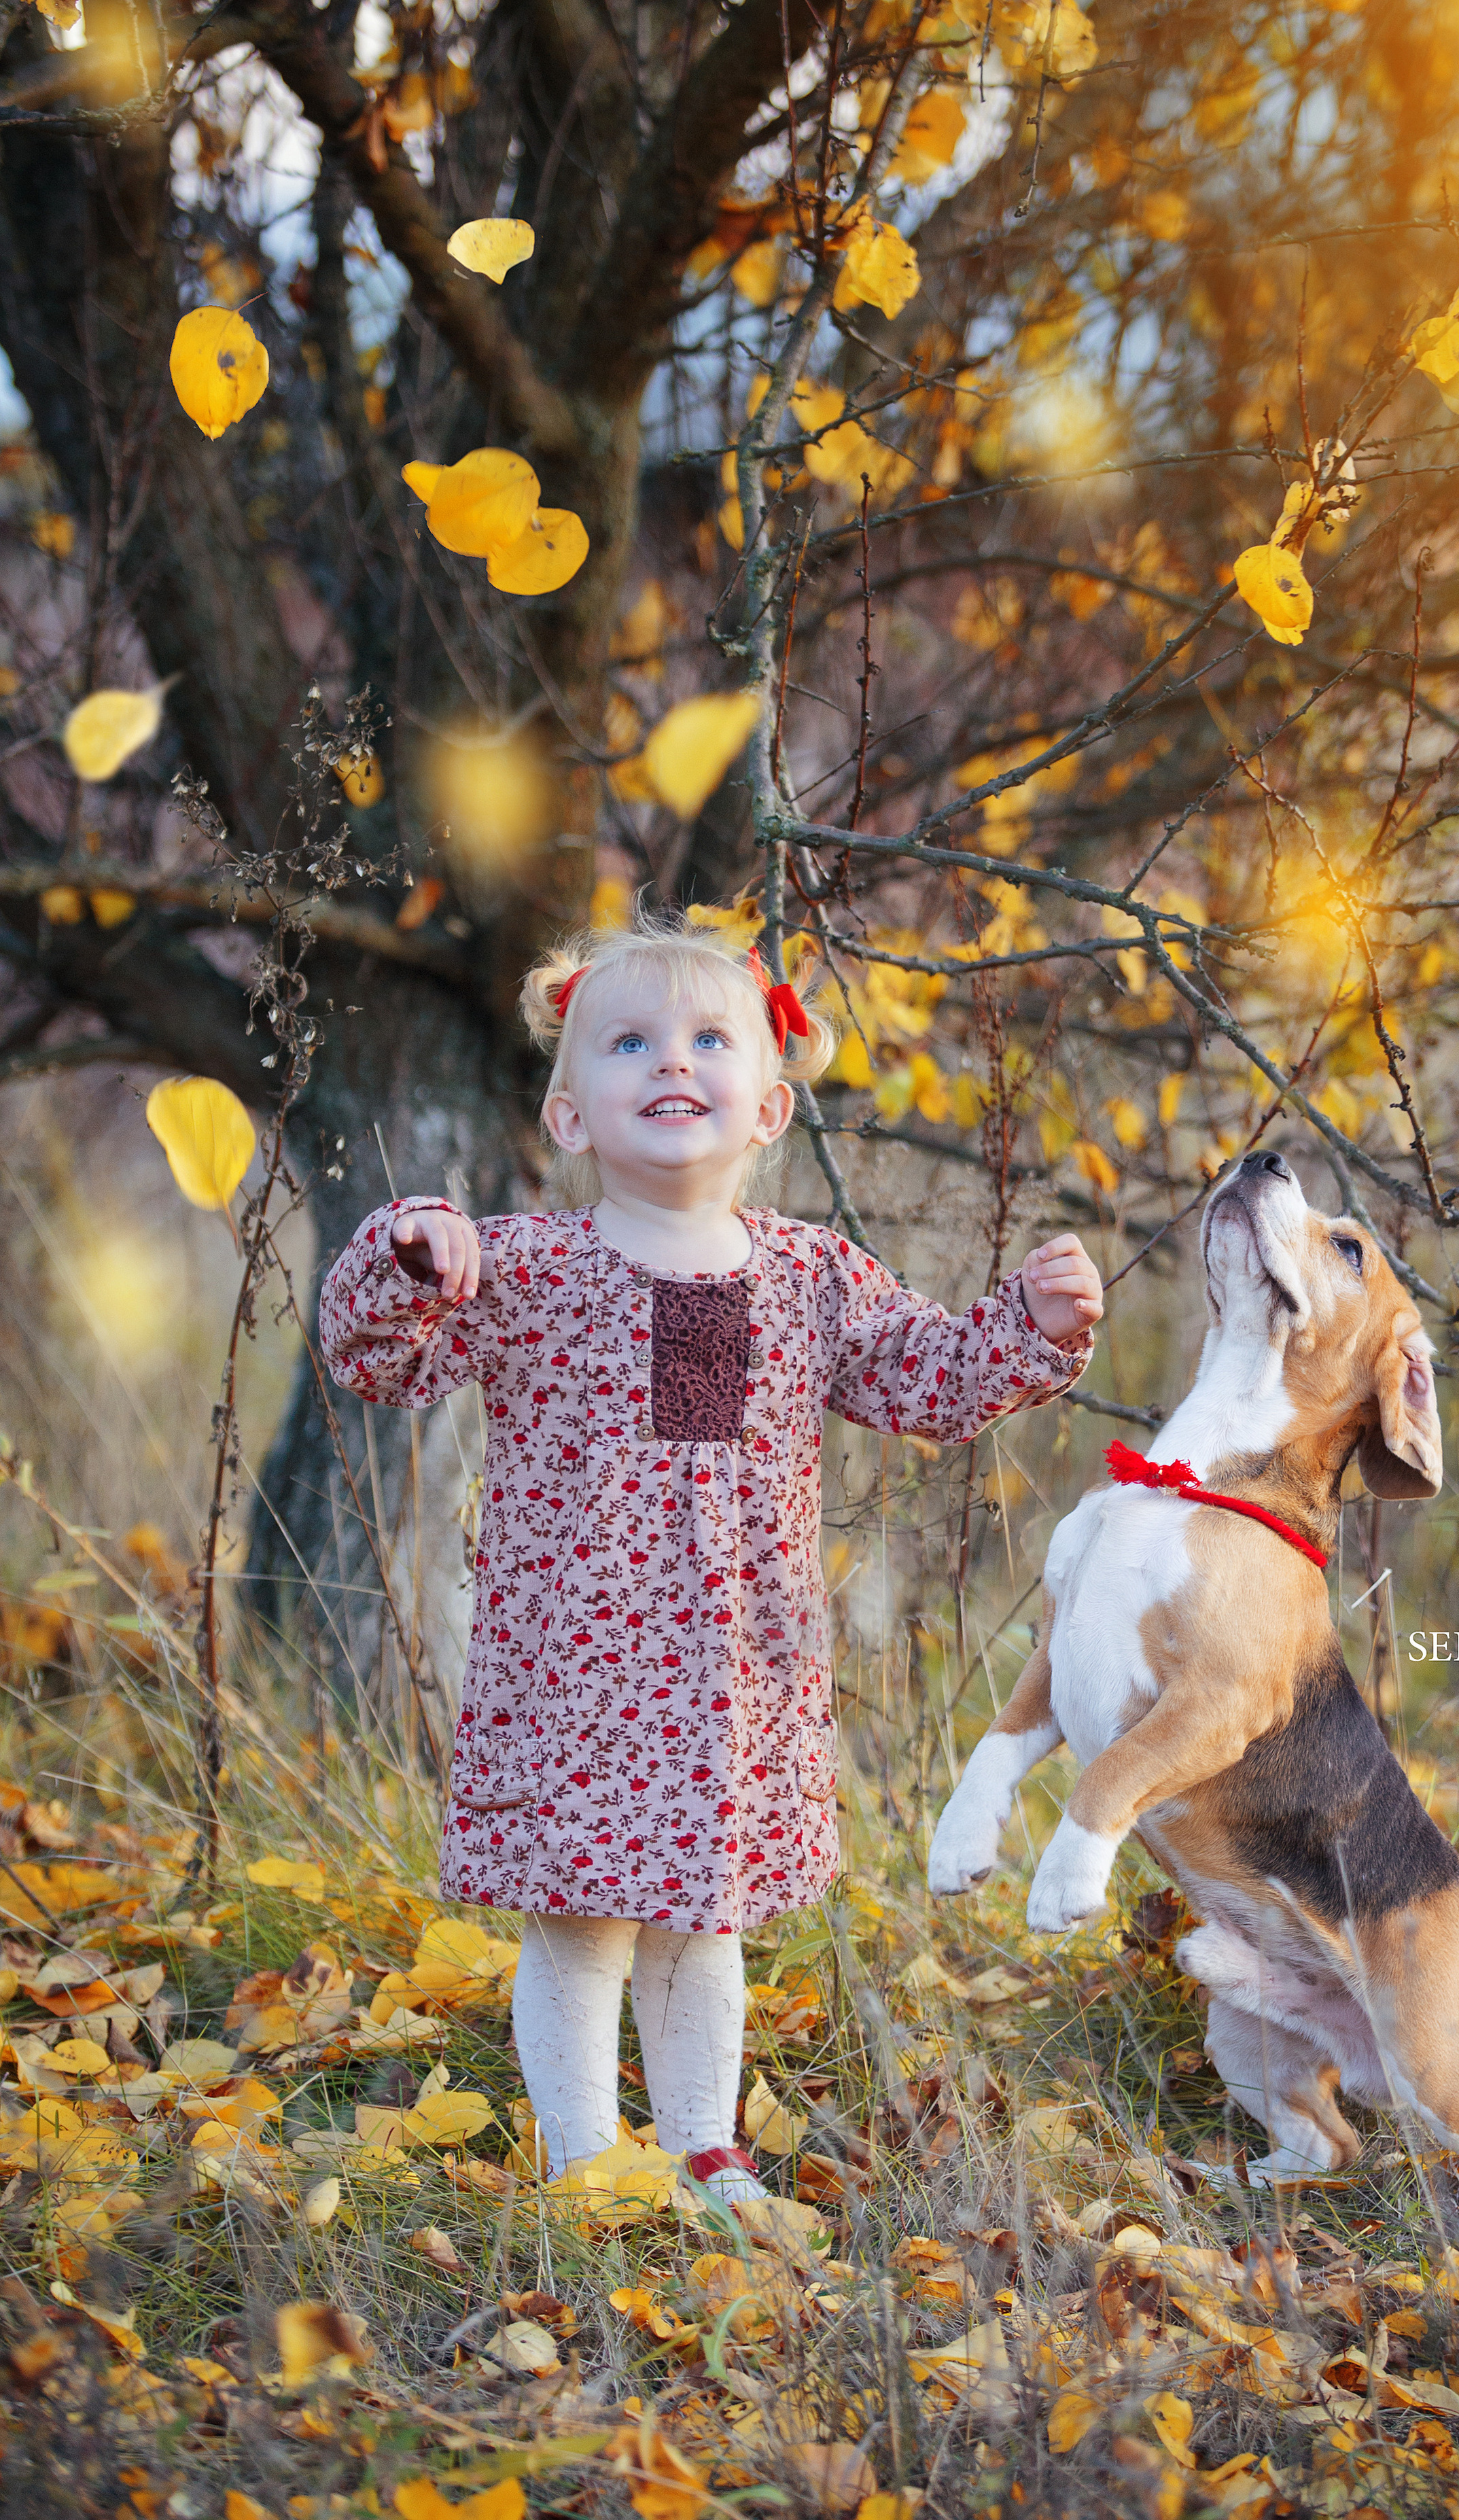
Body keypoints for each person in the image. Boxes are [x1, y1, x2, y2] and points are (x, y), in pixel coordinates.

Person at [319, 908, 1102, 2200]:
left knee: (703, 1916)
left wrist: (1031, 1324)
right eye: (627, 1042)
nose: (670, 1062)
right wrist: (409, 1253)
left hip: (732, 1675)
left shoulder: (804, 1276)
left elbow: (931, 1379)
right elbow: (376, 1358)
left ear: (769, 1107)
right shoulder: (525, 1271)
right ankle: (584, 2160)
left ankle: (702, 2146)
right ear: (572, 1117)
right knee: (579, 1922)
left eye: (705, 1040)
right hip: (576, 1669)